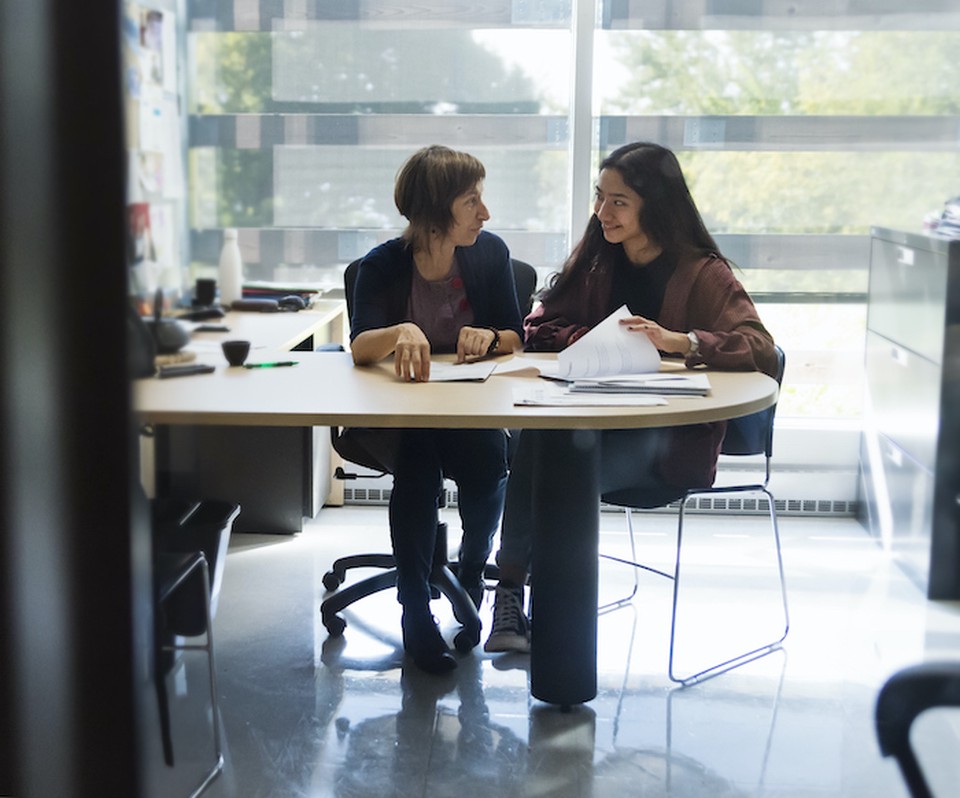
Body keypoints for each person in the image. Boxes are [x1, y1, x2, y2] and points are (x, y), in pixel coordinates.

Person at [483, 141, 779, 654]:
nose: (602, 213)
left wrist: (679, 341)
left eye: (618, 201)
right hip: (590, 422)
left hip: (663, 441)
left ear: (655, 205)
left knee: (558, 474)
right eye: (600, 198)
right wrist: (589, 338)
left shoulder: (702, 272)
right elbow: (538, 323)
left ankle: (535, 613)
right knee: (540, 440)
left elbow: (759, 348)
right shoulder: (600, 260)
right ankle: (513, 599)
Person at [349, 145, 524, 673]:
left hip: (469, 406)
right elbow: (359, 347)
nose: (484, 213)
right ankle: (414, 611)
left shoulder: (488, 254)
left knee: (489, 463)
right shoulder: (382, 264)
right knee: (417, 474)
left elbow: (516, 338)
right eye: (471, 200)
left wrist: (489, 336)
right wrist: (401, 330)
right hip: (405, 412)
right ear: (434, 210)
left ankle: (472, 571)